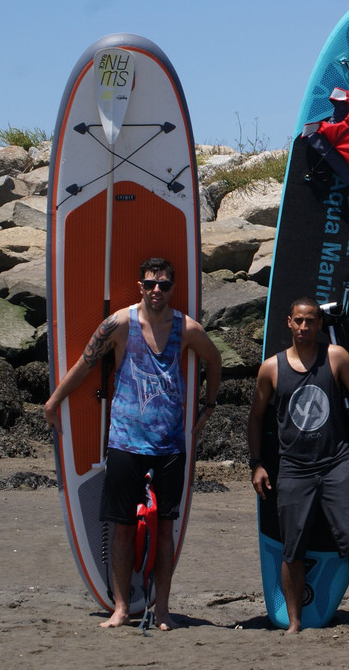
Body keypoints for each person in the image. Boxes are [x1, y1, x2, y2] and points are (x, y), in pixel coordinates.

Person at [44, 257, 222, 630]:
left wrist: (208, 407)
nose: (157, 290)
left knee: (165, 529)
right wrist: (55, 401)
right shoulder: (120, 324)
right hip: (125, 443)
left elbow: (214, 359)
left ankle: (162, 609)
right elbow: (85, 363)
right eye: (151, 283)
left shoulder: (186, 328)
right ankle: (122, 608)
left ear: (172, 289)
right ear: (140, 285)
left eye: (164, 285)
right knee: (122, 528)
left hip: (170, 446)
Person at [247, 297, 349, 634]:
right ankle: (294, 621)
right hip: (293, 467)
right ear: (288, 322)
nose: (304, 327)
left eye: (310, 321)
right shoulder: (271, 368)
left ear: (319, 324)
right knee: (292, 546)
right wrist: (256, 464)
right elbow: (255, 419)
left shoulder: (336, 357)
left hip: (336, 463)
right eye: (298, 321)